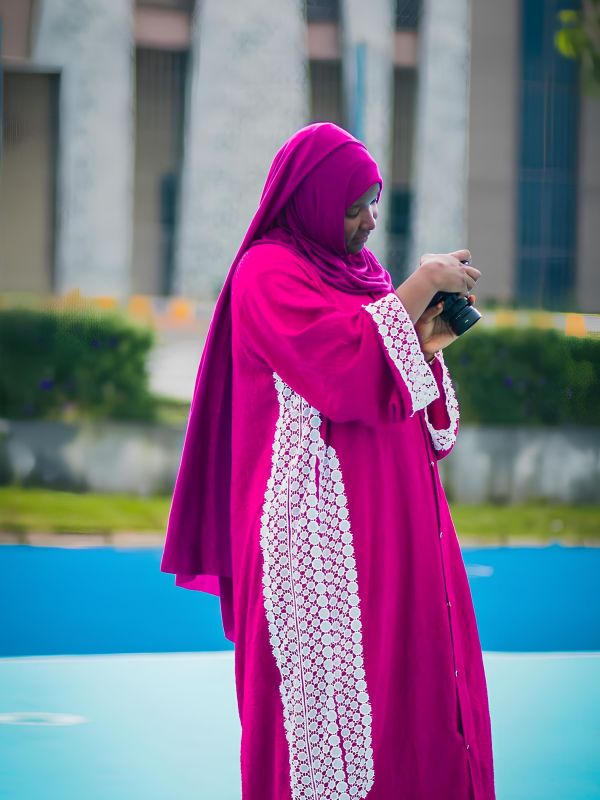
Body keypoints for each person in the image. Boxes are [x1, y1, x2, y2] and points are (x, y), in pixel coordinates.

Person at [161, 122, 496, 799]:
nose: (370, 220)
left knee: (417, 679)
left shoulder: (363, 275)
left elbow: (398, 391)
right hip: (318, 542)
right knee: (333, 709)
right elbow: (340, 366)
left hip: (400, 521)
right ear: (310, 201)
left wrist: (424, 340)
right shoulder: (267, 272)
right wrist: (420, 283)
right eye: (353, 206)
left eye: (374, 200)